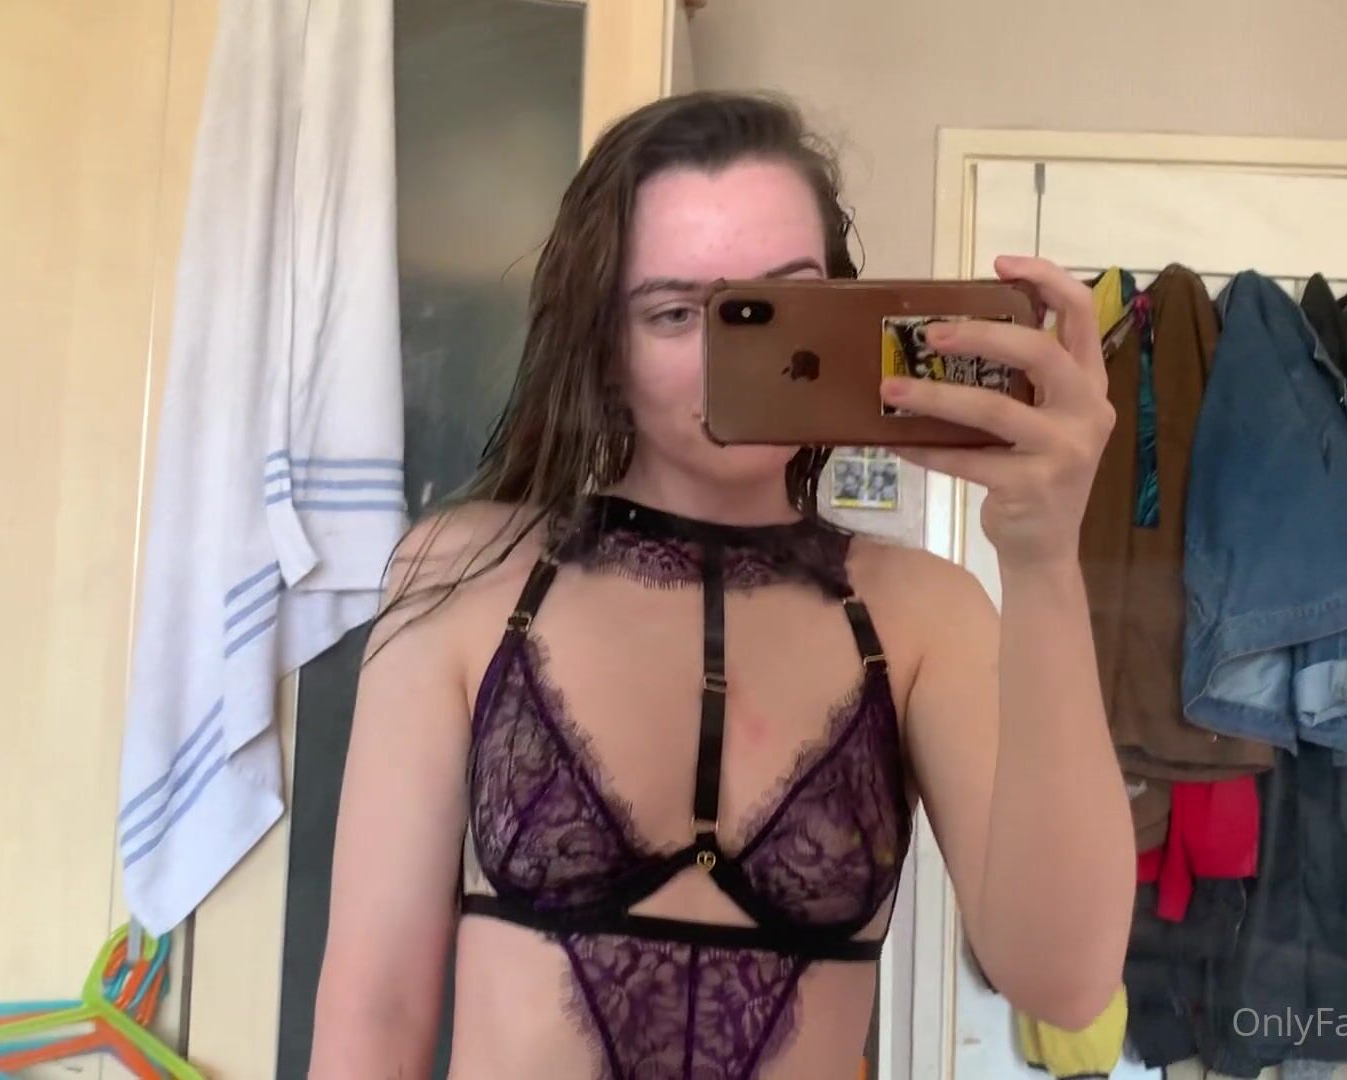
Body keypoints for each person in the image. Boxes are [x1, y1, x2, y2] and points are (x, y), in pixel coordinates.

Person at [311, 91, 1135, 1080]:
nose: (735, 357)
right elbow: (374, 1014)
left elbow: (1064, 984)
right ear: (603, 349)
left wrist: (1043, 558)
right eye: (675, 313)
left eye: (775, 307)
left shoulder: (926, 615)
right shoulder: (461, 577)